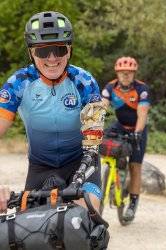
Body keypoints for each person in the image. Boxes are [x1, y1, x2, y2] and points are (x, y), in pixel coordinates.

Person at [0, 11, 106, 213]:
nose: (52, 58)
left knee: (84, 218)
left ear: (69, 50)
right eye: (42, 51)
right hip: (40, 166)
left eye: (59, 49)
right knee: (23, 232)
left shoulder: (84, 80)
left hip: (81, 162)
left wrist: (83, 183)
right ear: (31, 52)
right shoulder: (18, 83)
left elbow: (93, 139)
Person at [102, 56, 150, 221]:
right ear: (117, 73)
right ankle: (110, 176)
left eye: (129, 73)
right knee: (104, 145)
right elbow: (102, 107)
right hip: (120, 125)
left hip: (138, 128)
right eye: (122, 73)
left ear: (134, 73)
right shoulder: (110, 87)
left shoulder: (141, 89)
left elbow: (142, 112)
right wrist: (93, 125)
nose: (125, 75)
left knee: (135, 166)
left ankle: (132, 204)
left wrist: (137, 132)